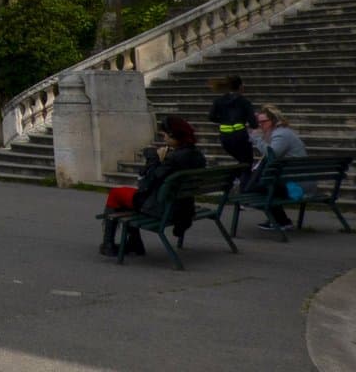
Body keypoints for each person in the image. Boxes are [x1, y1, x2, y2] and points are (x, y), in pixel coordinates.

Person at [97, 116, 206, 257]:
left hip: (162, 207)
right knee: (125, 197)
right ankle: (133, 243)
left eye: (165, 135)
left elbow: (145, 185)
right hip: (184, 206)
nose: (164, 139)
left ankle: (109, 244)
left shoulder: (172, 159)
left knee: (116, 194)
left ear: (174, 135)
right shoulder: (197, 155)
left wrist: (155, 160)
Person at [244, 105, 308, 232]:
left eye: (264, 122)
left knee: (256, 189)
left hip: (296, 184)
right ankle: (280, 220)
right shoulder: (280, 133)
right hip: (293, 178)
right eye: (259, 122)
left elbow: (271, 154)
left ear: (274, 121)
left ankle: (282, 221)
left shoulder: (281, 134)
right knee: (259, 184)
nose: (261, 125)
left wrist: (256, 138)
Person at [206, 75, 254, 175]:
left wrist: (224, 120)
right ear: (241, 87)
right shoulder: (244, 102)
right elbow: (253, 123)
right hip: (241, 137)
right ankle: (244, 184)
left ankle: (239, 178)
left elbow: (211, 117)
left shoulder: (218, 101)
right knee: (247, 163)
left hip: (225, 138)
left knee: (242, 162)